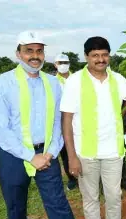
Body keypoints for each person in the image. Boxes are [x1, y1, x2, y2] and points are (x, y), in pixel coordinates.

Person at [0, 31, 87, 219]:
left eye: (39, 51)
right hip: (14, 156)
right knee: (15, 208)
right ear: (18, 53)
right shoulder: (2, 82)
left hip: (47, 154)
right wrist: (29, 156)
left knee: (57, 204)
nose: (35, 56)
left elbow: (57, 123)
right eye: (29, 51)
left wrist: (51, 151)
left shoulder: (52, 83)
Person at [61, 36, 126, 219]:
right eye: (95, 55)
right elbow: (66, 120)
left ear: (109, 55)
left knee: (114, 196)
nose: (100, 59)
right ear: (86, 57)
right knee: (90, 199)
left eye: (104, 55)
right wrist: (71, 156)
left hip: (113, 150)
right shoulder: (74, 81)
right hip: (86, 152)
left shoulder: (118, 79)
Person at [54, 53, 77, 191]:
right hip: (61, 120)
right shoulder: (52, 81)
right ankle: (72, 178)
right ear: (55, 65)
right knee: (65, 150)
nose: (63, 65)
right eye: (60, 62)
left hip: (79, 119)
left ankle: (85, 176)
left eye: (65, 62)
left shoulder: (77, 78)